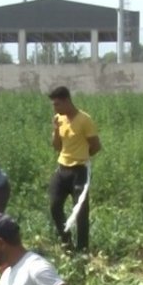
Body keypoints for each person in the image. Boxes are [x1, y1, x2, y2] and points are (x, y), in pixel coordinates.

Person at [48, 86, 102, 251]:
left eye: (57, 104)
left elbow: (96, 146)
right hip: (62, 169)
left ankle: (83, 249)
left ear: (66, 101)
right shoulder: (60, 119)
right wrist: (56, 130)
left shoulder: (84, 120)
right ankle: (66, 240)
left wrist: (82, 156)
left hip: (79, 171)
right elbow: (57, 146)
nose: (55, 108)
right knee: (55, 206)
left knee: (80, 211)